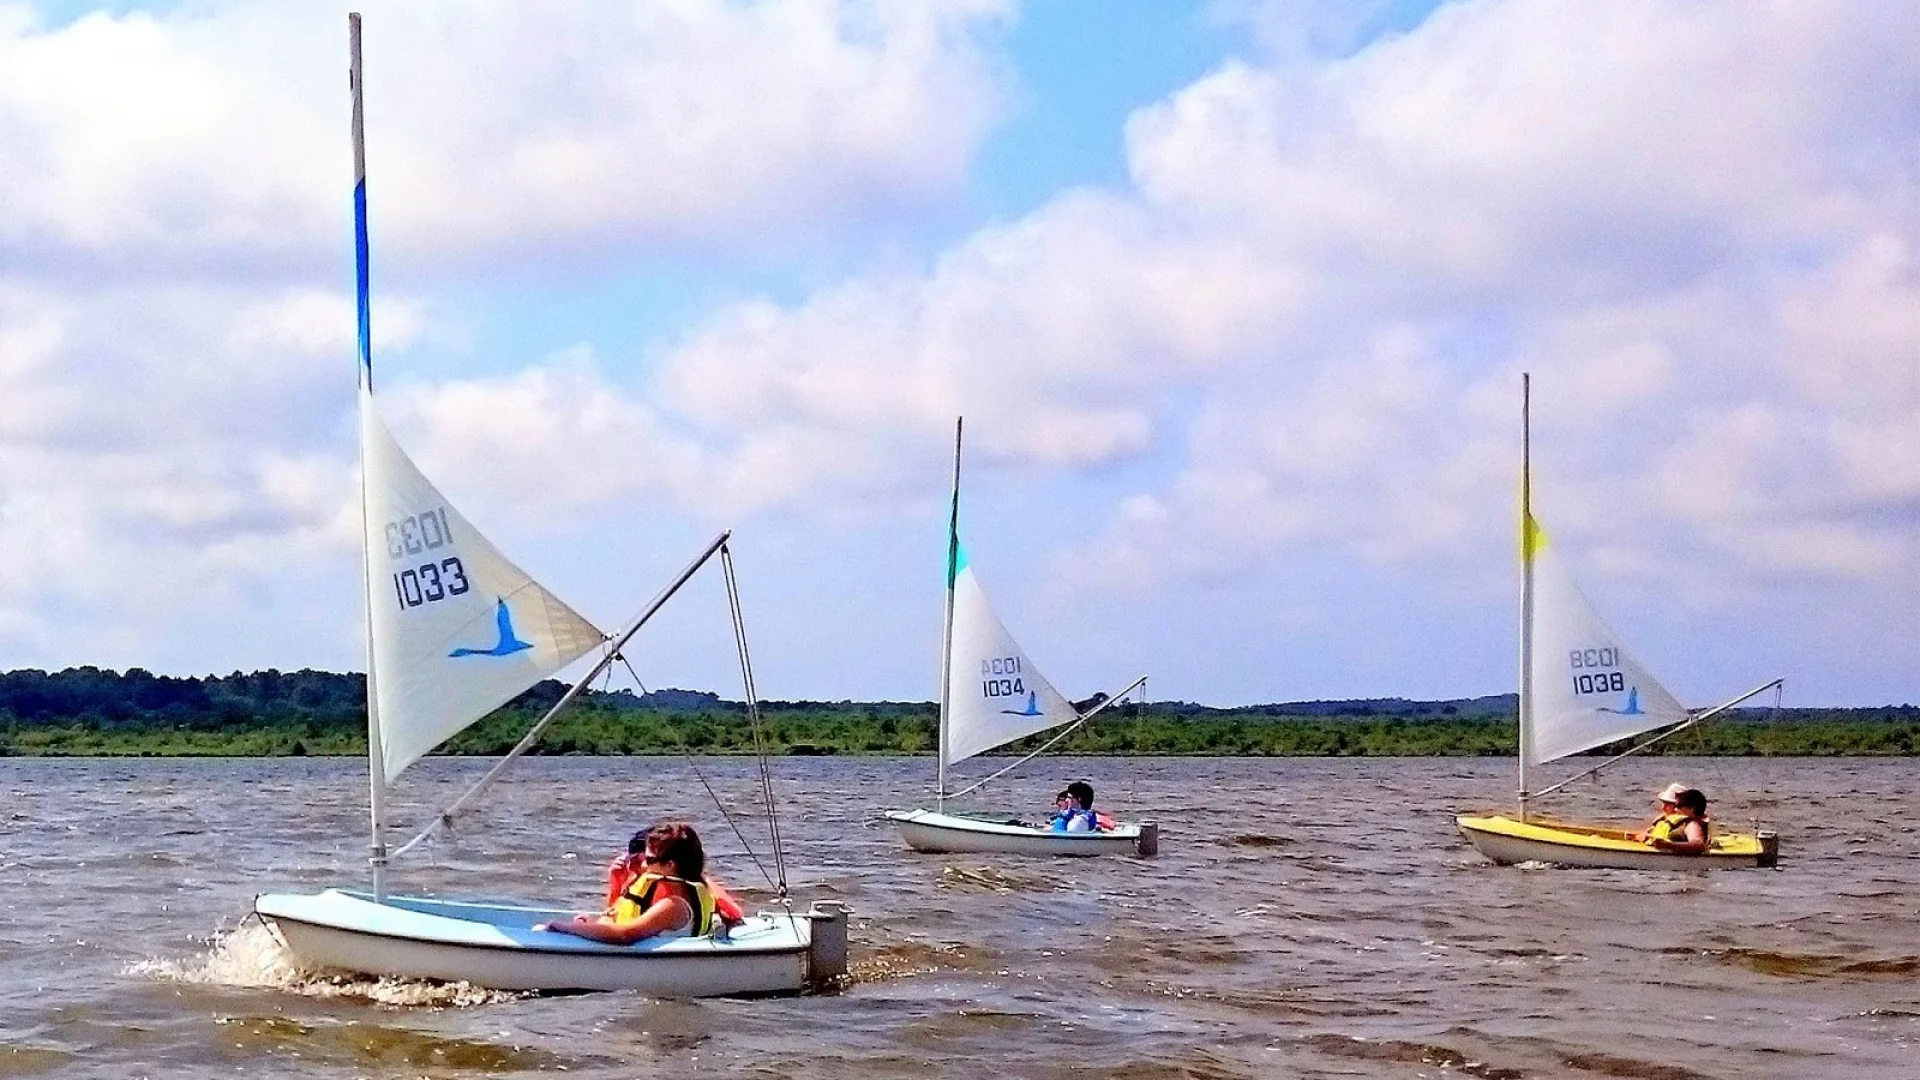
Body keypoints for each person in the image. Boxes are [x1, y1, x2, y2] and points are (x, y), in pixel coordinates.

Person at [537, 822, 719, 943]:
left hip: (651, 967)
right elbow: (617, 920)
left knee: (545, 930)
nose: (644, 865)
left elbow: (624, 935)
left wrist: (564, 928)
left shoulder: (673, 905)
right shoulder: (668, 892)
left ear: (670, 865)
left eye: (649, 860)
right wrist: (585, 925)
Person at [1643, 787, 1712, 855]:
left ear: (1691, 808)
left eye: (1678, 806)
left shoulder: (1691, 824)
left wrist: (1668, 845)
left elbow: (1699, 845)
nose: (1676, 809)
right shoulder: (1668, 821)